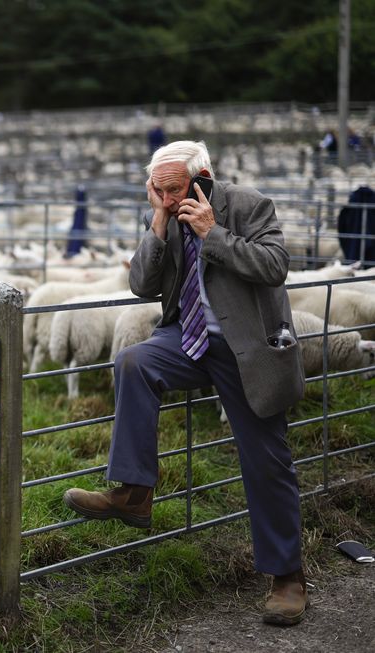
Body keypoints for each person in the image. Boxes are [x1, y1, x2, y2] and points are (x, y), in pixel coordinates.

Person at [62, 141, 308, 626]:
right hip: (187, 340)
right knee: (134, 360)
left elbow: (275, 266)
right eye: (158, 190)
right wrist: (157, 224)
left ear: (205, 176)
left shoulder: (247, 205)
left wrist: (211, 233)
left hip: (246, 350)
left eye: (174, 190)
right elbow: (141, 284)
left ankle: (287, 577)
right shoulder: (166, 213)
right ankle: (134, 492)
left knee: (266, 461)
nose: (169, 199)